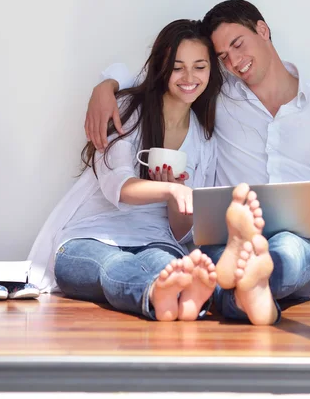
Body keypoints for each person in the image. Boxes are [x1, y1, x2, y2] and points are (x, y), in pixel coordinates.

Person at [85, 0, 310, 318]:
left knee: (287, 252)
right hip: (230, 242)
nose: (235, 61)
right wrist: (106, 87)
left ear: (262, 30)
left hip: (303, 241)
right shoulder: (216, 98)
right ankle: (251, 295)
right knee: (218, 268)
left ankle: (254, 278)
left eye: (238, 45)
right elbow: (162, 76)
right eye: (223, 57)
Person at [29, 18, 262, 322]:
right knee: (111, 265)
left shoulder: (204, 140)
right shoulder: (128, 111)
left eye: (200, 66)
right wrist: (171, 189)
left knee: (162, 263)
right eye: (177, 67)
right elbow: (120, 187)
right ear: (162, 68)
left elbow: (182, 231)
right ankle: (157, 293)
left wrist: (174, 201)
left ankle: (173, 295)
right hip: (89, 238)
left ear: (211, 71)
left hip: (156, 240)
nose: (188, 77)